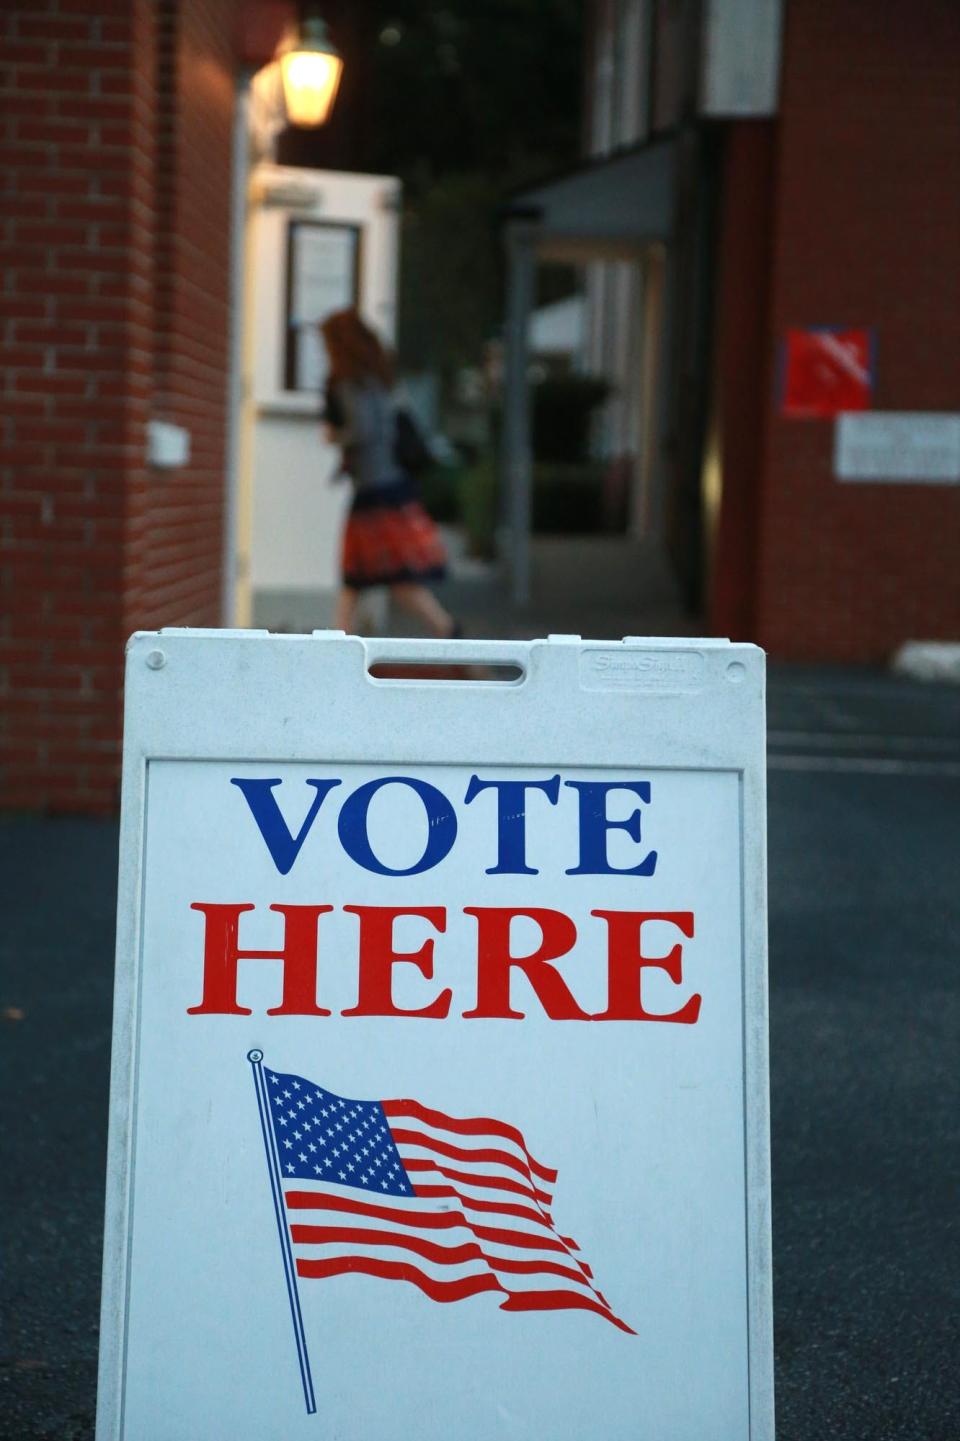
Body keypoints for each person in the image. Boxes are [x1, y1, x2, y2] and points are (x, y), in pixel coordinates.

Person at [319, 307, 458, 638]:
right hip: (393, 482)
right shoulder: (379, 377)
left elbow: (361, 429)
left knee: (368, 573)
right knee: (373, 574)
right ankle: (341, 638)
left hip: (374, 489)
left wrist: (333, 435)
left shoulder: (346, 381)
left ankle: (446, 630)